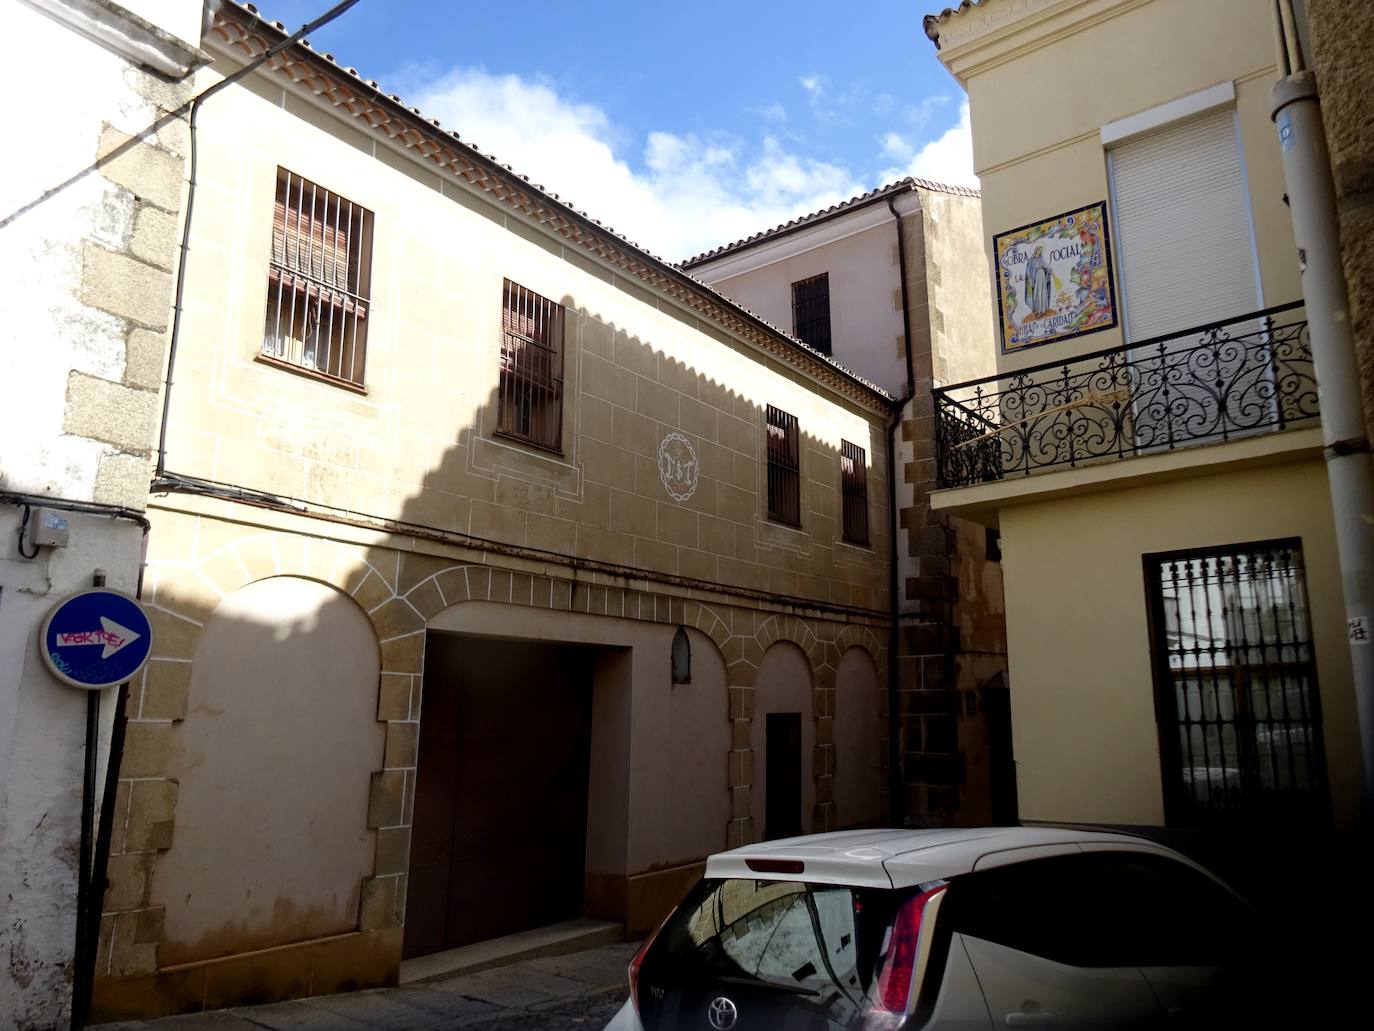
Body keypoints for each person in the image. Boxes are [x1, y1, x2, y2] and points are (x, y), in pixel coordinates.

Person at [1024, 244, 1053, 319]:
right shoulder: (1031, 260)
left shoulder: (1041, 259)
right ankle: (1037, 310)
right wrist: (1029, 277)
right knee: (1037, 292)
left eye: (1041, 251)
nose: (1039, 252)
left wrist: (1049, 270)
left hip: (1042, 276)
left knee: (1042, 292)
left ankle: (1042, 310)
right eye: (1038, 250)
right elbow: (1028, 270)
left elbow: (1046, 267)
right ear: (1036, 251)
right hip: (1036, 277)